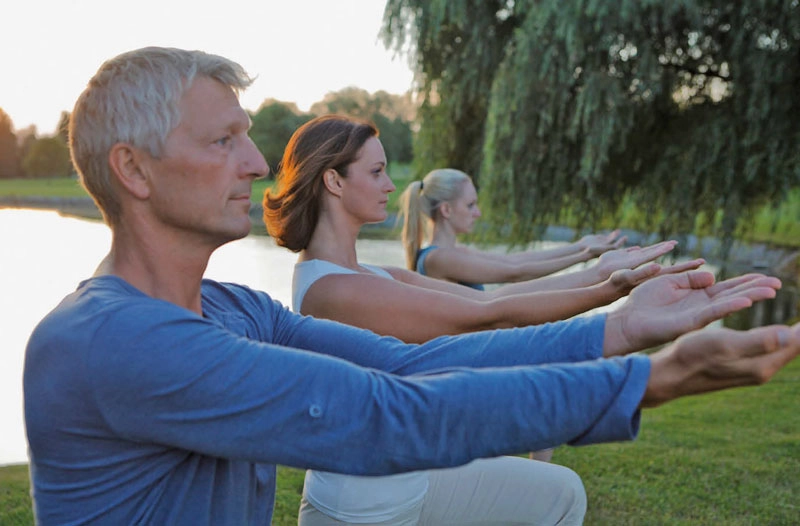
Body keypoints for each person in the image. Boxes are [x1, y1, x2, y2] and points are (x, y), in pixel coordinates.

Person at [23, 47, 800, 526]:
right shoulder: (111, 342)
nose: (258, 165)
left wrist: (624, 328)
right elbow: (384, 416)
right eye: (224, 140)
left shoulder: (234, 309)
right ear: (134, 170)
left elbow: (405, 367)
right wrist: (642, 382)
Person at [262, 114, 789, 524]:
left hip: (404, 472)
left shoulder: (361, 274)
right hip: (370, 500)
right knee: (558, 494)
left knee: (559, 493)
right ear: (333, 180)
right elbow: (485, 314)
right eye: (375, 171)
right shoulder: (333, 289)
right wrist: (609, 292)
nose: (388, 184)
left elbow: (497, 296)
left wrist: (603, 275)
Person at [399, 168, 628, 289]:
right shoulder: (437, 259)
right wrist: (585, 256)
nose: (477, 213)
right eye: (470, 205)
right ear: (446, 210)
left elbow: (516, 261)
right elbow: (515, 274)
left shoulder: (457, 253)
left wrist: (579, 246)